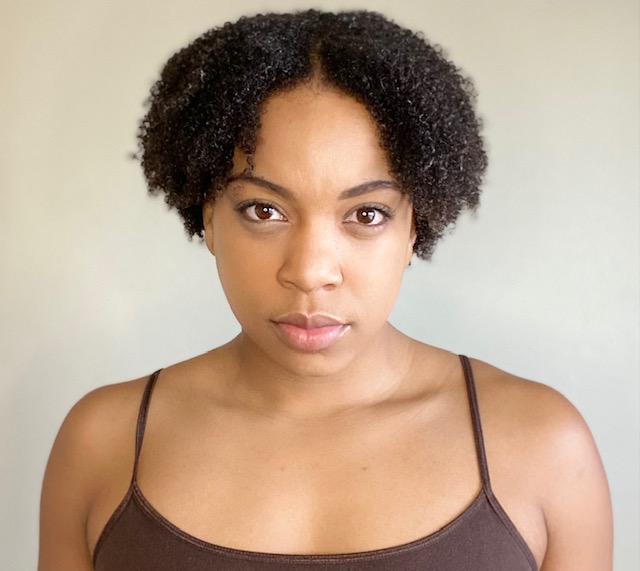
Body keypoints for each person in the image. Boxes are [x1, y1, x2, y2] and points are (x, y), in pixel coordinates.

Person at [38, 9, 613, 571]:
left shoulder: (545, 448)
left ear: (415, 227)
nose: (310, 271)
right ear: (208, 217)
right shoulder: (103, 444)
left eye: (366, 214)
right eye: (264, 210)